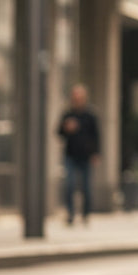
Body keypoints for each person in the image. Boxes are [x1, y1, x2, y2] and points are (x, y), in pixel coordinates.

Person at [57, 84, 101, 226]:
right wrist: (66, 128)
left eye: (80, 97)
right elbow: (59, 133)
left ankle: (86, 214)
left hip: (86, 156)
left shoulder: (90, 115)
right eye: (75, 97)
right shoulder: (67, 114)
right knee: (69, 185)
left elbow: (97, 136)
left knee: (86, 187)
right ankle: (70, 213)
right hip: (70, 155)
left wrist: (96, 153)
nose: (77, 100)